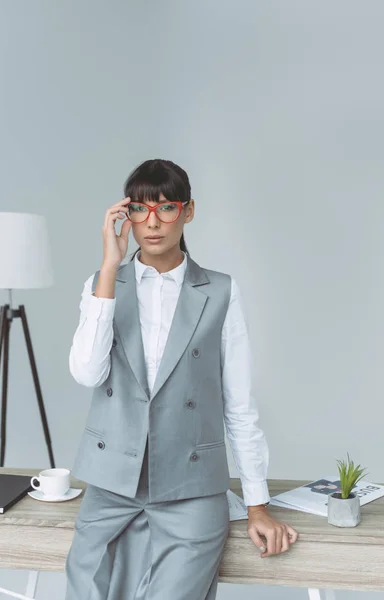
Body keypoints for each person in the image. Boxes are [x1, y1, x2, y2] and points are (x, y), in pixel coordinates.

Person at [64, 159, 298, 600]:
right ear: (126, 216)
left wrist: (257, 505)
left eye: (166, 208)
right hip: (111, 484)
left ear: (188, 211)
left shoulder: (220, 290)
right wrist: (110, 270)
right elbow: (87, 372)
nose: (152, 223)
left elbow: (239, 404)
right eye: (139, 209)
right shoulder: (102, 284)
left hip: (191, 488)